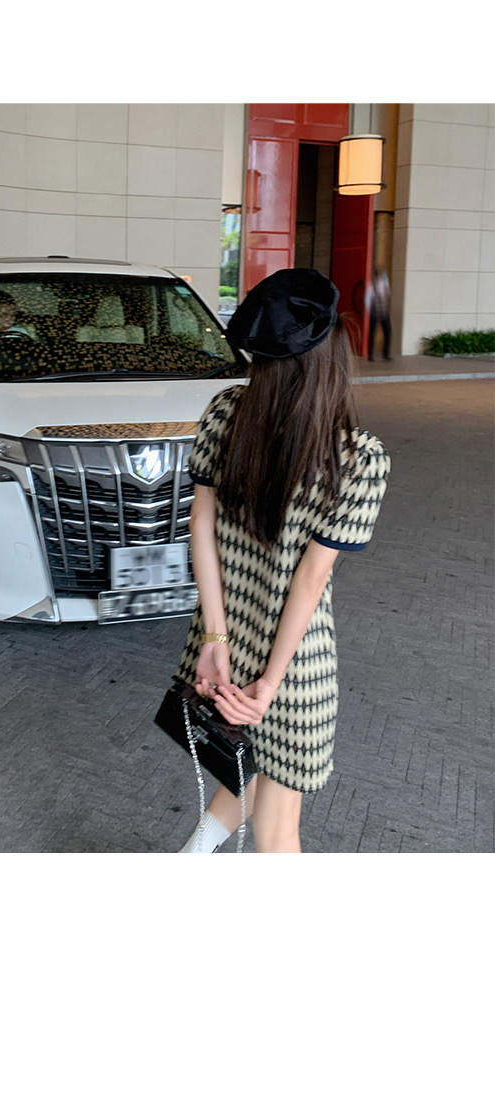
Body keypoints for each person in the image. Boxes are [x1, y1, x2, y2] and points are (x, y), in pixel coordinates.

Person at [176, 268, 390, 854]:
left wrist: (213, 637)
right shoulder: (357, 458)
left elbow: (200, 526)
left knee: (249, 770)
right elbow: (311, 578)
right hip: (292, 665)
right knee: (277, 830)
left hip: (223, 640)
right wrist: (271, 683)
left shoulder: (225, 411)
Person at [365, 268, 392, 361]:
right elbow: (367, 300)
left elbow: (388, 293)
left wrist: (385, 280)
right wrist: (371, 311)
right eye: (379, 276)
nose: (380, 277)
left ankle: (386, 353)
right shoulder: (371, 286)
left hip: (384, 311)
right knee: (372, 333)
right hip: (375, 313)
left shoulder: (384, 285)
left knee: (388, 331)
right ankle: (370, 354)